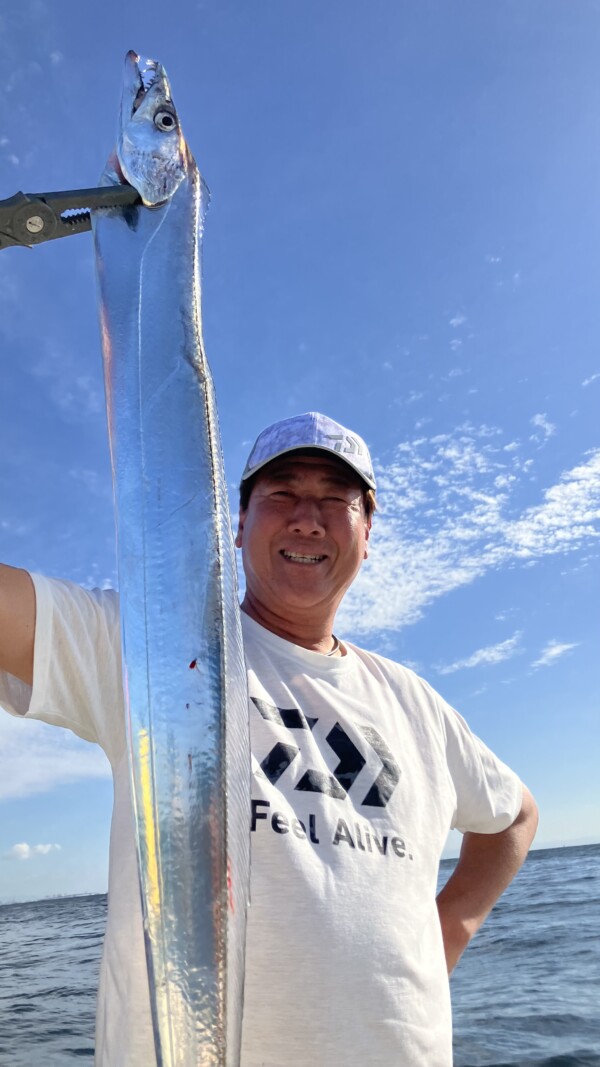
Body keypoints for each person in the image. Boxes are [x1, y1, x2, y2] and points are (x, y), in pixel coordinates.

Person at [0, 411, 538, 1067]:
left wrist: (451, 924)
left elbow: (515, 816)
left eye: (334, 500)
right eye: (281, 492)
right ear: (239, 526)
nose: (307, 517)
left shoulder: (417, 704)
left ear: (367, 535)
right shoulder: (156, 651)